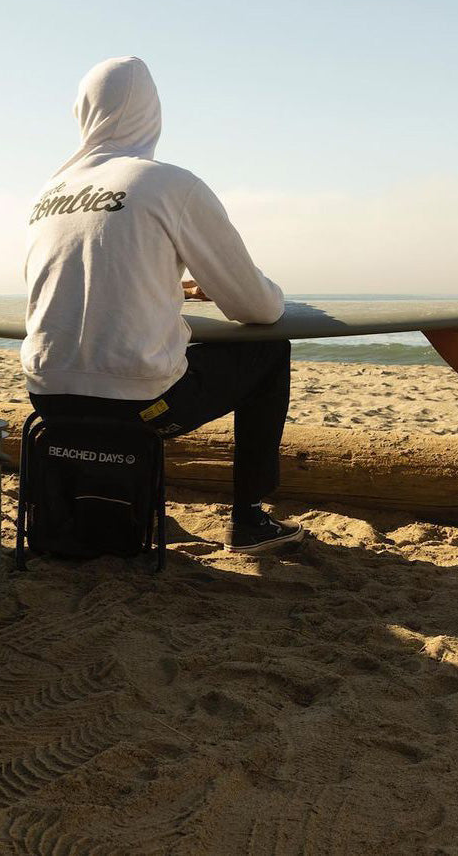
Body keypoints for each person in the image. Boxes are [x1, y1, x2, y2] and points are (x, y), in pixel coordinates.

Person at [21, 56, 305, 555]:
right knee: (270, 349)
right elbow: (257, 308)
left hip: (48, 400)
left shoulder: (47, 193)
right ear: (153, 114)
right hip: (141, 410)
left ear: (83, 111)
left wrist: (172, 288)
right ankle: (249, 519)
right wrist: (245, 290)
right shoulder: (171, 184)